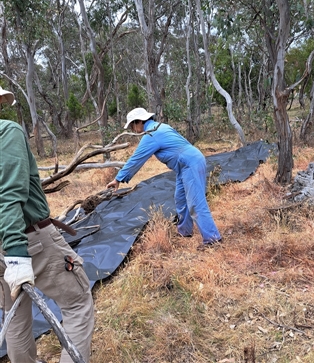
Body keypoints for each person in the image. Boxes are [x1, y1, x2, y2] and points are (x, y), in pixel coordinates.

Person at [0, 86, 94, 363]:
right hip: (27, 239)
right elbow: (8, 195)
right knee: (78, 303)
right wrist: (17, 254)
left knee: (14, 313)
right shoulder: (7, 131)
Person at [106, 107, 222, 248]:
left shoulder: (151, 135)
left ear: (139, 122)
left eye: (132, 124)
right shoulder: (160, 127)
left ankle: (212, 239)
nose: (132, 128)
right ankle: (185, 231)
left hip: (190, 164)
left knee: (196, 203)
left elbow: (136, 159)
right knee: (181, 199)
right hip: (184, 166)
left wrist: (118, 179)